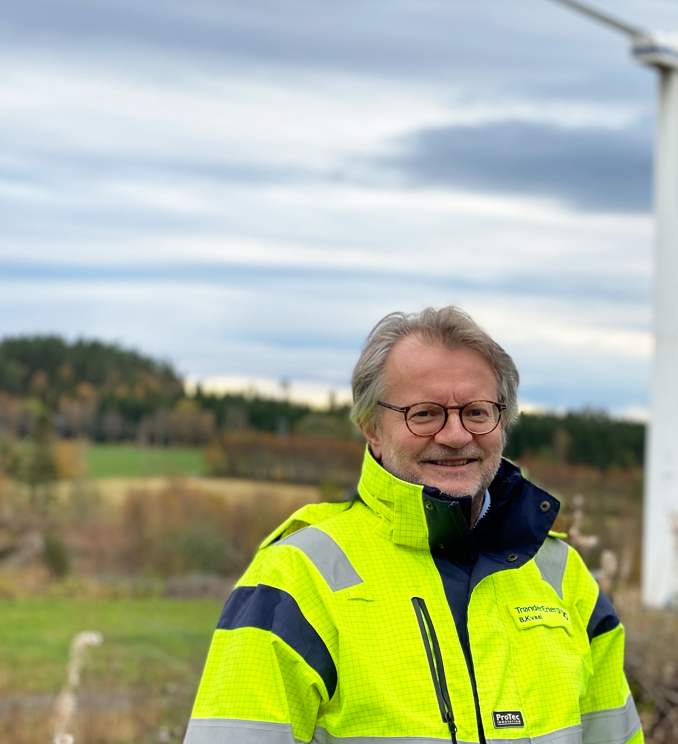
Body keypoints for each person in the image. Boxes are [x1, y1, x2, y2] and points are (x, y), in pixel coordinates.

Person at [186, 307, 643, 744]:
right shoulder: (297, 580)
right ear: (370, 427)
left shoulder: (566, 580)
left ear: (503, 421)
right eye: (424, 413)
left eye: (478, 411)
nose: (456, 435)